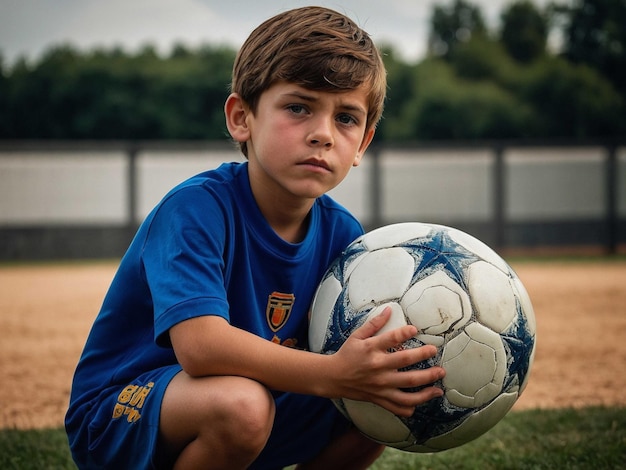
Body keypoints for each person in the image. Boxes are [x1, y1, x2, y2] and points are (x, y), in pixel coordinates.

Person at [65, 6, 445, 469]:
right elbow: (202, 348)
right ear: (241, 118)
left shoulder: (344, 235)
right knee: (242, 406)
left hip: (255, 405)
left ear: (363, 143)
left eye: (346, 118)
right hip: (125, 415)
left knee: (382, 399)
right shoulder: (196, 209)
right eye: (299, 107)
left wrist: (375, 374)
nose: (322, 134)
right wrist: (334, 374)